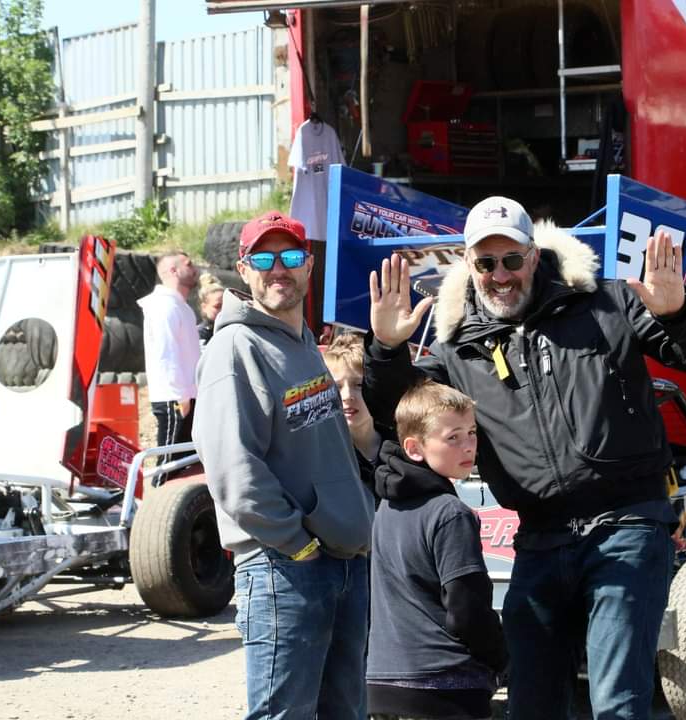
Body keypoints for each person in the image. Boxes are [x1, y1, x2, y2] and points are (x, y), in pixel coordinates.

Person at [363, 196, 686, 719]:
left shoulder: (607, 303)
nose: (500, 275)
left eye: (512, 260)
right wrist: (383, 349)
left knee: (616, 703)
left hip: (626, 525)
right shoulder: (457, 346)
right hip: (539, 538)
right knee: (530, 702)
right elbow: (401, 416)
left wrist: (679, 310)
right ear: (469, 265)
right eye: (486, 263)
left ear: (534, 256)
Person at [192, 210, 375, 720]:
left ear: (309, 265)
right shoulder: (236, 346)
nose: (280, 269)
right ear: (243, 268)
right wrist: (299, 545)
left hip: (341, 562)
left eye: (291, 257)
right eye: (265, 258)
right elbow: (233, 469)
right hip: (284, 569)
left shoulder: (303, 347)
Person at [366, 380, 506, 720]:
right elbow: (466, 607)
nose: (468, 446)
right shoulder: (450, 513)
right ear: (414, 448)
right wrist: (502, 658)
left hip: (381, 681)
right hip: (445, 683)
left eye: (471, 433)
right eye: (453, 438)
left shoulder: (385, 508)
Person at [137, 250, 201, 455]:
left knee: (187, 461)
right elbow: (166, 354)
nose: (195, 269)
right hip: (175, 398)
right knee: (169, 464)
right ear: (173, 270)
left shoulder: (181, 307)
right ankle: (158, 487)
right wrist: (181, 396)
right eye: (189, 264)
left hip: (188, 396)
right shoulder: (163, 306)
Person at [322, 332, 384, 496]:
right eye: (337, 386)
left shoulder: (401, 445)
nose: (348, 396)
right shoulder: (321, 453)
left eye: (359, 384)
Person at [196, 272, 225, 349]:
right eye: (217, 306)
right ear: (204, 307)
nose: (223, 310)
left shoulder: (231, 330)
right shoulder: (199, 335)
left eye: (225, 305)